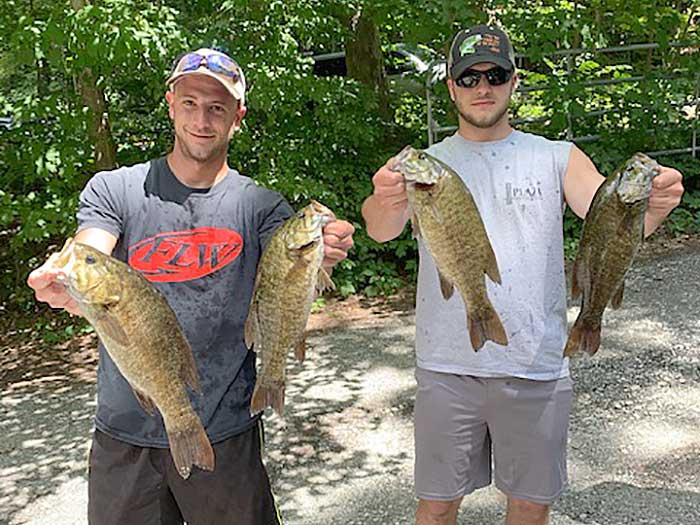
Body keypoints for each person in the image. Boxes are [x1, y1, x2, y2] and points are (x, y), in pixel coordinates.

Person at [362, 24, 684, 525]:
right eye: (469, 78)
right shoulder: (426, 166)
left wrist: (656, 203)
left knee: (531, 506)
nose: (482, 87)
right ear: (451, 88)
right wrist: (384, 199)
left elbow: (609, 217)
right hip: (448, 365)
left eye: (495, 74)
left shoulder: (557, 156)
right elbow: (380, 228)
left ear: (515, 83)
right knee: (437, 504)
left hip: (535, 363)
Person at [27, 48, 355, 524]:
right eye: (190, 103)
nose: (202, 119)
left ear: (237, 117)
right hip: (125, 435)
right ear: (170, 103)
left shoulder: (259, 206)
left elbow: (287, 274)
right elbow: (89, 253)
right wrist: (64, 284)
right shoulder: (115, 189)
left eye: (217, 107)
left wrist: (324, 245)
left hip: (225, 429)